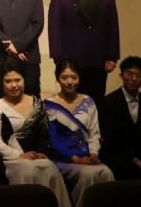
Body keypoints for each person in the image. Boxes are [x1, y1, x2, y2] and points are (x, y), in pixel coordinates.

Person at [0, 59, 72, 207]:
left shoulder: (37, 103)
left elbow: (43, 133)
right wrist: (19, 155)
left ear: (24, 80)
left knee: (49, 167)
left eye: (17, 80)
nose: (14, 85)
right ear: (2, 83)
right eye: (8, 81)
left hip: (36, 157)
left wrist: (41, 152)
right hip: (11, 159)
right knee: (29, 170)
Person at [48, 0, 120, 100]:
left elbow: (112, 25)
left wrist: (112, 56)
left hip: (99, 58)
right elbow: (54, 27)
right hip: (70, 59)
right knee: (71, 100)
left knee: (97, 100)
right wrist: (58, 58)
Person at [45, 58, 114, 207]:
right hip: (62, 159)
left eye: (74, 77)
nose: (70, 82)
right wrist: (75, 158)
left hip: (86, 157)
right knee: (88, 174)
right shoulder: (50, 104)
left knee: (106, 172)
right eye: (64, 77)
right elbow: (52, 140)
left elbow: (94, 133)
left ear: (79, 78)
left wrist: (93, 154)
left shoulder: (88, 101)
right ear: (58, 78)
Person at [99, 56, 141, 179]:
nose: (134, 79)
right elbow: (109, 138)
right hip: (118, 158)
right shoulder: (108, 102)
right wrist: (134, 160)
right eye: (130, 74)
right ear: (121, 75)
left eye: (138, 75)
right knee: (129, 170)